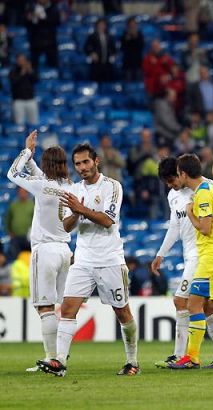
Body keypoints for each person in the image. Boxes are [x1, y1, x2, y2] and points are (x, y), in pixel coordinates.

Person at [37, 144, 139, 377]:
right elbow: (66, 226)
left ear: (96, 161)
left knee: (122, 312)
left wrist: (80, 209)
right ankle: (59, 362)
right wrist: (75, 212)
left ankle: (132, 361)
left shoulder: (112, 186)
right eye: (78, 164)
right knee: (68, 308)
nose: (82, 167)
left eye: (86, 162)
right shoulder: (73, 190)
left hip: (110, 259)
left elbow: (108, 220)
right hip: (83, 260)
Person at [7, 131, 72, 371]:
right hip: (65, 251)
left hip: (45, 250)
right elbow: (41, 177)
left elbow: (12, 173)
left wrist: (26, 152)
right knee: (61, 308)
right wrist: (33, 159)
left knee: (44, 307)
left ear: (47, 164)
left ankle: (52, 359)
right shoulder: (69, 186)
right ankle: (60, 357)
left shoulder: (42, 186)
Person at [151, 157, 213, 368]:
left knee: (180, 300)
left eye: (171, 180)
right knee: (207, 307)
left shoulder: (205, 187)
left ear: (181, 173)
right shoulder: (173, 196)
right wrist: (161, 254)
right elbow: (175, 226)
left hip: (204, 254)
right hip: (189, 255)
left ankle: (180, 355)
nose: (170, 185)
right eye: (166, 182)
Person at [167, 154, 213, 369]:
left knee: (194, 304)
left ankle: (192, 357)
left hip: (211, 256)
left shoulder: (203, 193)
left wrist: (190, 213)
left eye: (178, 174)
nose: (178, 178)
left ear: (184, 174)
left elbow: (205, 228)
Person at [26, 0, 60, 71]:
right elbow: (28, 24)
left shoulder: (53, 8)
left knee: (53, 63)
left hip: (50, 41)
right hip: (36, 41)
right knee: (34, 65)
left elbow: (55, 22)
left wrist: (42, 18)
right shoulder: (33, 7)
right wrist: (30, 19)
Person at [5, 185, 35, 260]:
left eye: (24, 192)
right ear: (18, 193)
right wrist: (10, 232)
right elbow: (8, 219)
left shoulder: (32, 205)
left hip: (28, 238)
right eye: (20, 192)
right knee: (16, 259)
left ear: (27, 193)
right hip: (15, 237)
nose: (22, 194)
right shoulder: (13, 205)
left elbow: (36, 221)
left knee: (30, 259)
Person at [9, 54, 38, 126]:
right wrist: (22, 73)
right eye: (20, 60)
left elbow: (36, 80)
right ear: (17, 61)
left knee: (34, 122)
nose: (22, 62)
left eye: (23, 60)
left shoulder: (30, 71)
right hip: (18, 101)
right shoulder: (13, 72)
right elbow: (13, 82)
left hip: (30, 99)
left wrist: (30, 71)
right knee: (19, 123)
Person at [84, 18, 116, 83]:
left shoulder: (109, 36)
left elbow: (113, 48)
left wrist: (113, 55)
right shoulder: (92, 36)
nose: (101, 26)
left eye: (103, 25)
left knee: (107, 82)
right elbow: (86, 47)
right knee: (96, 81)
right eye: (100, 25)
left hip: (107, 64)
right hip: (96, 65)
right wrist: (92, 53)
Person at [120, 17, 144, 82]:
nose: (132, 26)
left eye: (134, 24)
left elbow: (141, 46)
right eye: (131, 24)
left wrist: (136, 37)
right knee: (128, 80)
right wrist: (127, 39)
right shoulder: (124, 35)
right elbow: (122, 47)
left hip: (138, 61)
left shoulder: (139, 34)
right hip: (127, 62)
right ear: (128, 25)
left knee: (139, 80)